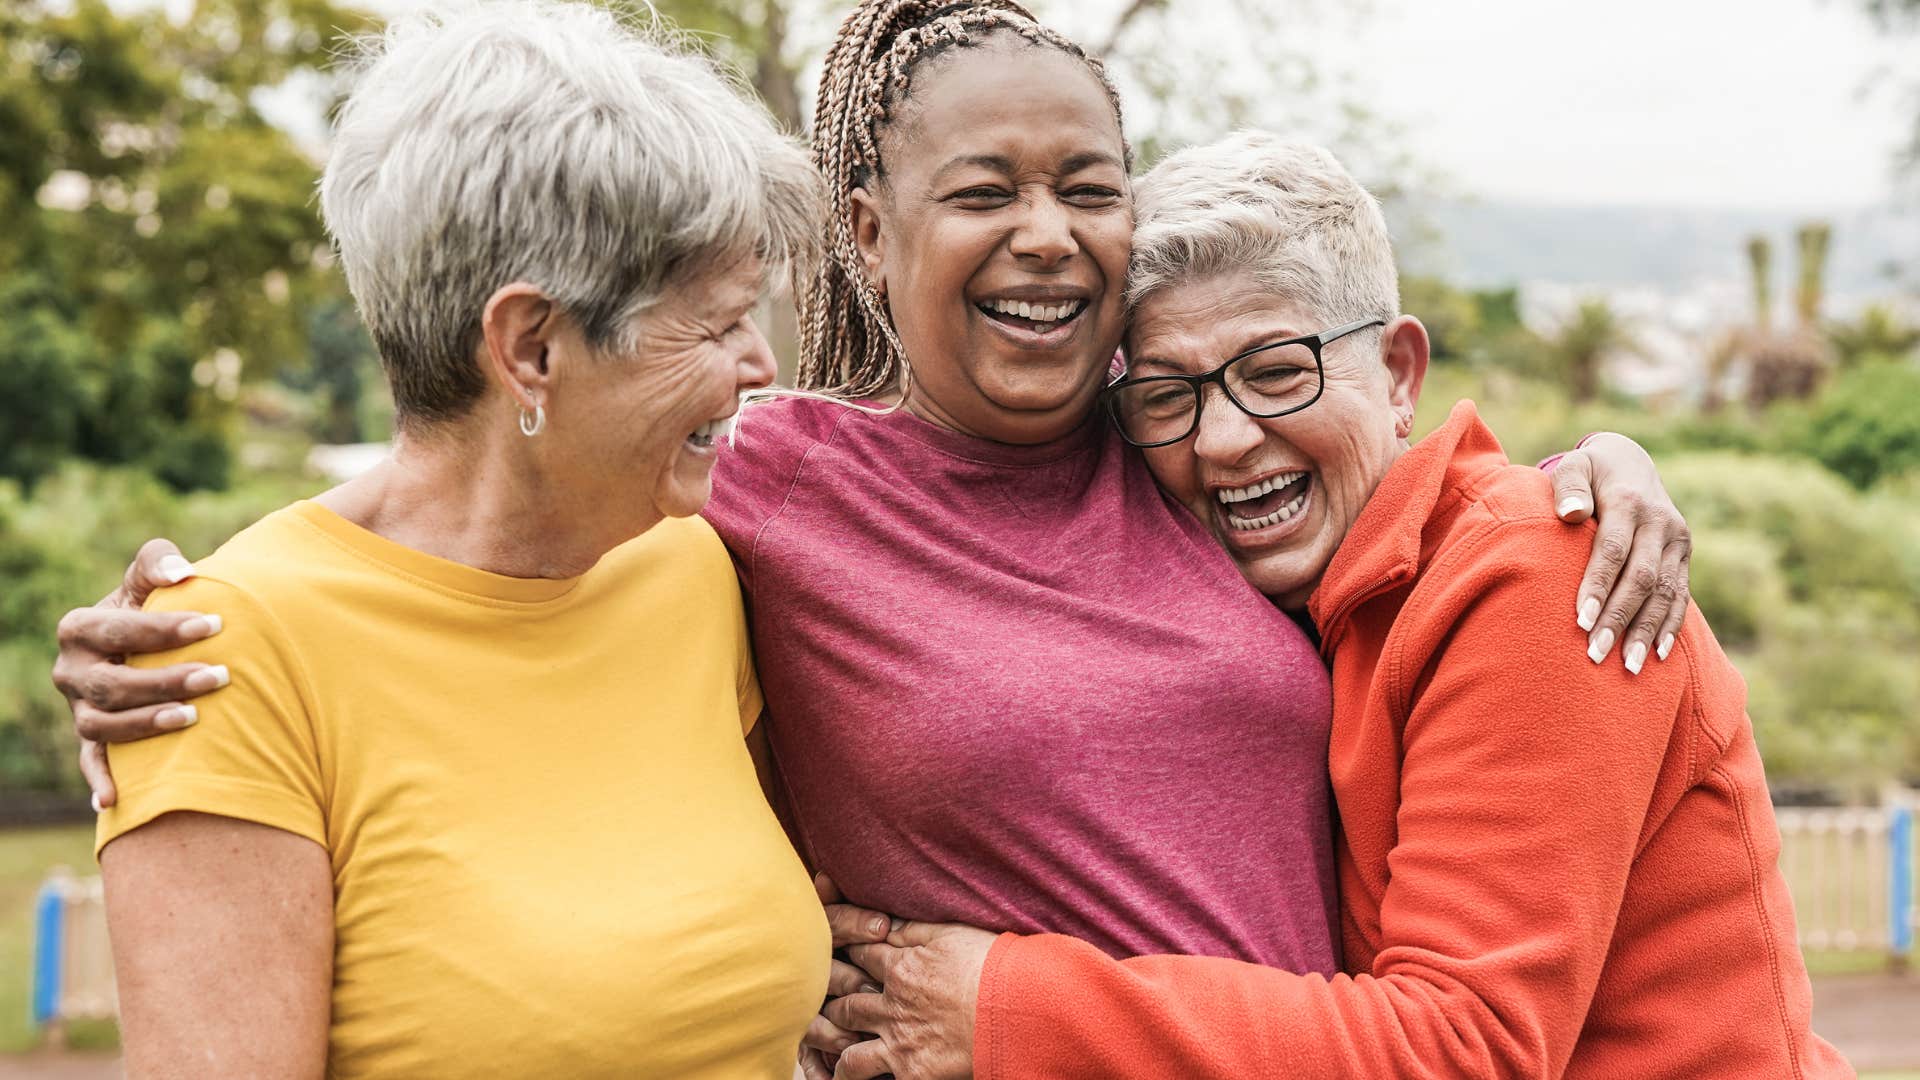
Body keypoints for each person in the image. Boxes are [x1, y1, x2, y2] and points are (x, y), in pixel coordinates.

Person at [54, 1, 1694, 1074]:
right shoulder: (749, 497)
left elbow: (1386, 479)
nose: (1047, 237)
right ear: (867, 229)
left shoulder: (1187, 445)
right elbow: (471, 530)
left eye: (1089, 187)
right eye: (982, 191)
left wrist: (1595, 474)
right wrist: (165, 637)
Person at [812, 134, 1852, 1080]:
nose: (1222, 439)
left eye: (1277, 370)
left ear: (1400, 372)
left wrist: (1005, 1006)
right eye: (1169, 395)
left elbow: (1461, 1048)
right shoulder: (1283, 591)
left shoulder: (1539, 578)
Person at [71, 4, 834, 1076]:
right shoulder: (221, 657)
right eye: (716, 325)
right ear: (530, 347)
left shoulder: (692, 559)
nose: (761, 365)